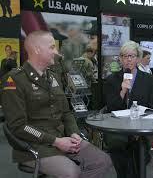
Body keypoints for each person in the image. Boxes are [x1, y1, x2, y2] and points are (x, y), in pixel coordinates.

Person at [1, 31, 113, 178]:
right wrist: (55, 141)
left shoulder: (52, 77)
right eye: (52, 47)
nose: (57, 52)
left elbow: (66, 113)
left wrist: (73, 132)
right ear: (37, 50)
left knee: (102, 160)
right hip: (35, 147)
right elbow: (19, 126)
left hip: (64, 139)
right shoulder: (15, 80)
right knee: (72, 173)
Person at [104, 40, 153, 178]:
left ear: (138, 58)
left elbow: (152, 105)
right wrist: (122, 91)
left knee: (139, 150)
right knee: (118, 145)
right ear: (121, 59)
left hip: (142, 126)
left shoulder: (148, 79)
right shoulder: (111, 80)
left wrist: (139, 126)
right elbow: (111, 107)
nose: (128, 59)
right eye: (125, 56)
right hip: (118, 127)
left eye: (132, 56)